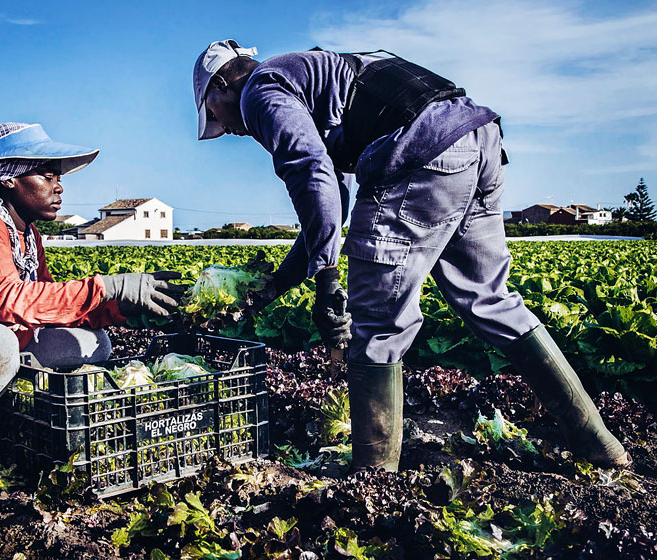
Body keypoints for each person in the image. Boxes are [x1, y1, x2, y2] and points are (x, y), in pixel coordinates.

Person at [192, 41, 630, 471]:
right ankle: (598, 441)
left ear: (222, 85)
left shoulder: (260, 91)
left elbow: (311, 172)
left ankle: (372, 475)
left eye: (213, 114)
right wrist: (280, 282)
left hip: (420, 150)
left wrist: (326, 279)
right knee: (491, 300)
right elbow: (332, 197)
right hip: (475, 138)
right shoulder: (310, 70)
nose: (225, 128)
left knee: (378, 320)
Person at [0, 122, 185, 489]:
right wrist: (105, 286)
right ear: (9, 179)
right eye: (46, 175)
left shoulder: (27, 237)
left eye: (57, 177)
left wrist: (121, 307)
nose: (58, 186)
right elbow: (6, 300)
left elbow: (44, 305)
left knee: (93, 342)